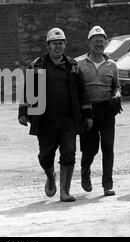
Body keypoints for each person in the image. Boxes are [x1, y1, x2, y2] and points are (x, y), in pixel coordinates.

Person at [18, 27, 93, 202]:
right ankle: (50, 176)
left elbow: (83, 92)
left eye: (61, 43)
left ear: (65, 45)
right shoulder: (36, 65)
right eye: (54, 44)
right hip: (45, 120)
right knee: (45, 156)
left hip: (68, 120)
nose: (58, 47)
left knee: (69, 152)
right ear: (48, 46)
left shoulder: (73, 66)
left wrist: (87, 115)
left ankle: (64, 191)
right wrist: (23, 112)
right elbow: (28, 91)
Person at [77, 26, 121, 196]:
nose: (99, 44)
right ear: (89, 43)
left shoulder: (112, 65)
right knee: (90, 149)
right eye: (95, 41)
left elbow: (116, 86)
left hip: (107, 109)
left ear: (106, 43)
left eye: (101, 41)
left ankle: (107, 184)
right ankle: (85, 171)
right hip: (88, 111)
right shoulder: (79, 64)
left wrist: (117, 95)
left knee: (108, 147)